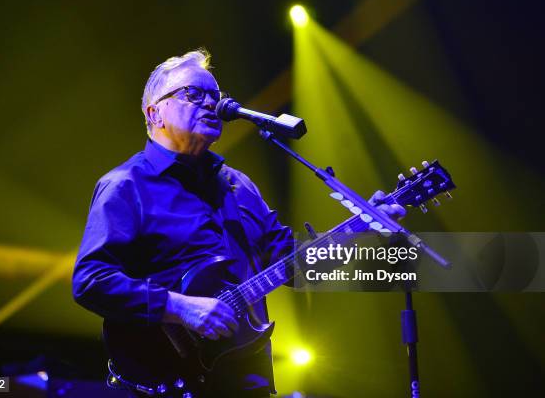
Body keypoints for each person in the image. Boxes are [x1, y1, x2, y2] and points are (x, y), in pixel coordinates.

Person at [72, 49, 404, 397]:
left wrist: (359, 229)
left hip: (246, 376)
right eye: (193, 94)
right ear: (154, 112)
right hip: (160, 381)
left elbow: (292, 265)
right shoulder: (127, 185)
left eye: (216, 97)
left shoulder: (238, 185)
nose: (212, 105)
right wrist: (179, 308)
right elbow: (91, 281)